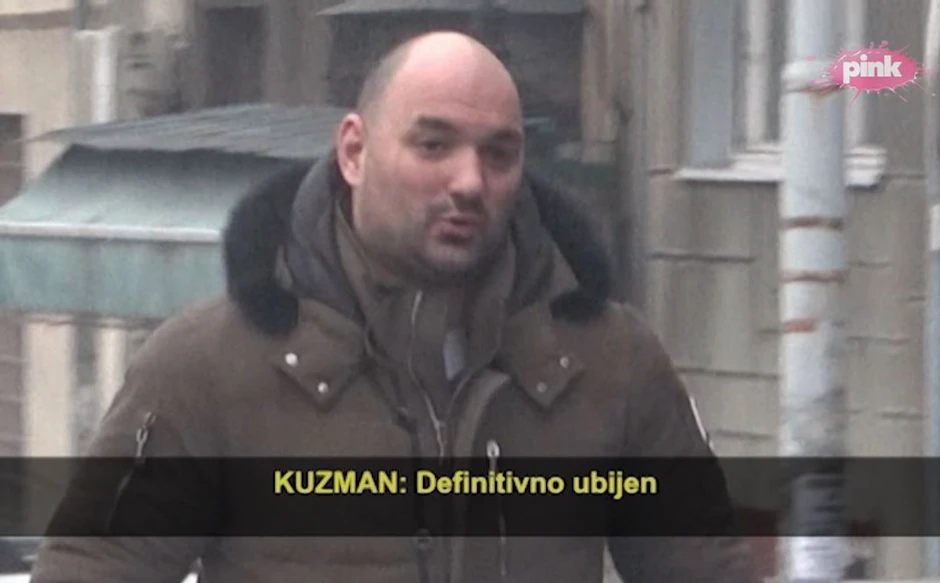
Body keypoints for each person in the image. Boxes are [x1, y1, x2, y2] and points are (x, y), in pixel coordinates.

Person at [29, 30, 758, 583]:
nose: (469, 181)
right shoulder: (208, 365)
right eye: (433, 144)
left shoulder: (610, 361)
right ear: (354, 151)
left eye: (499, 153)